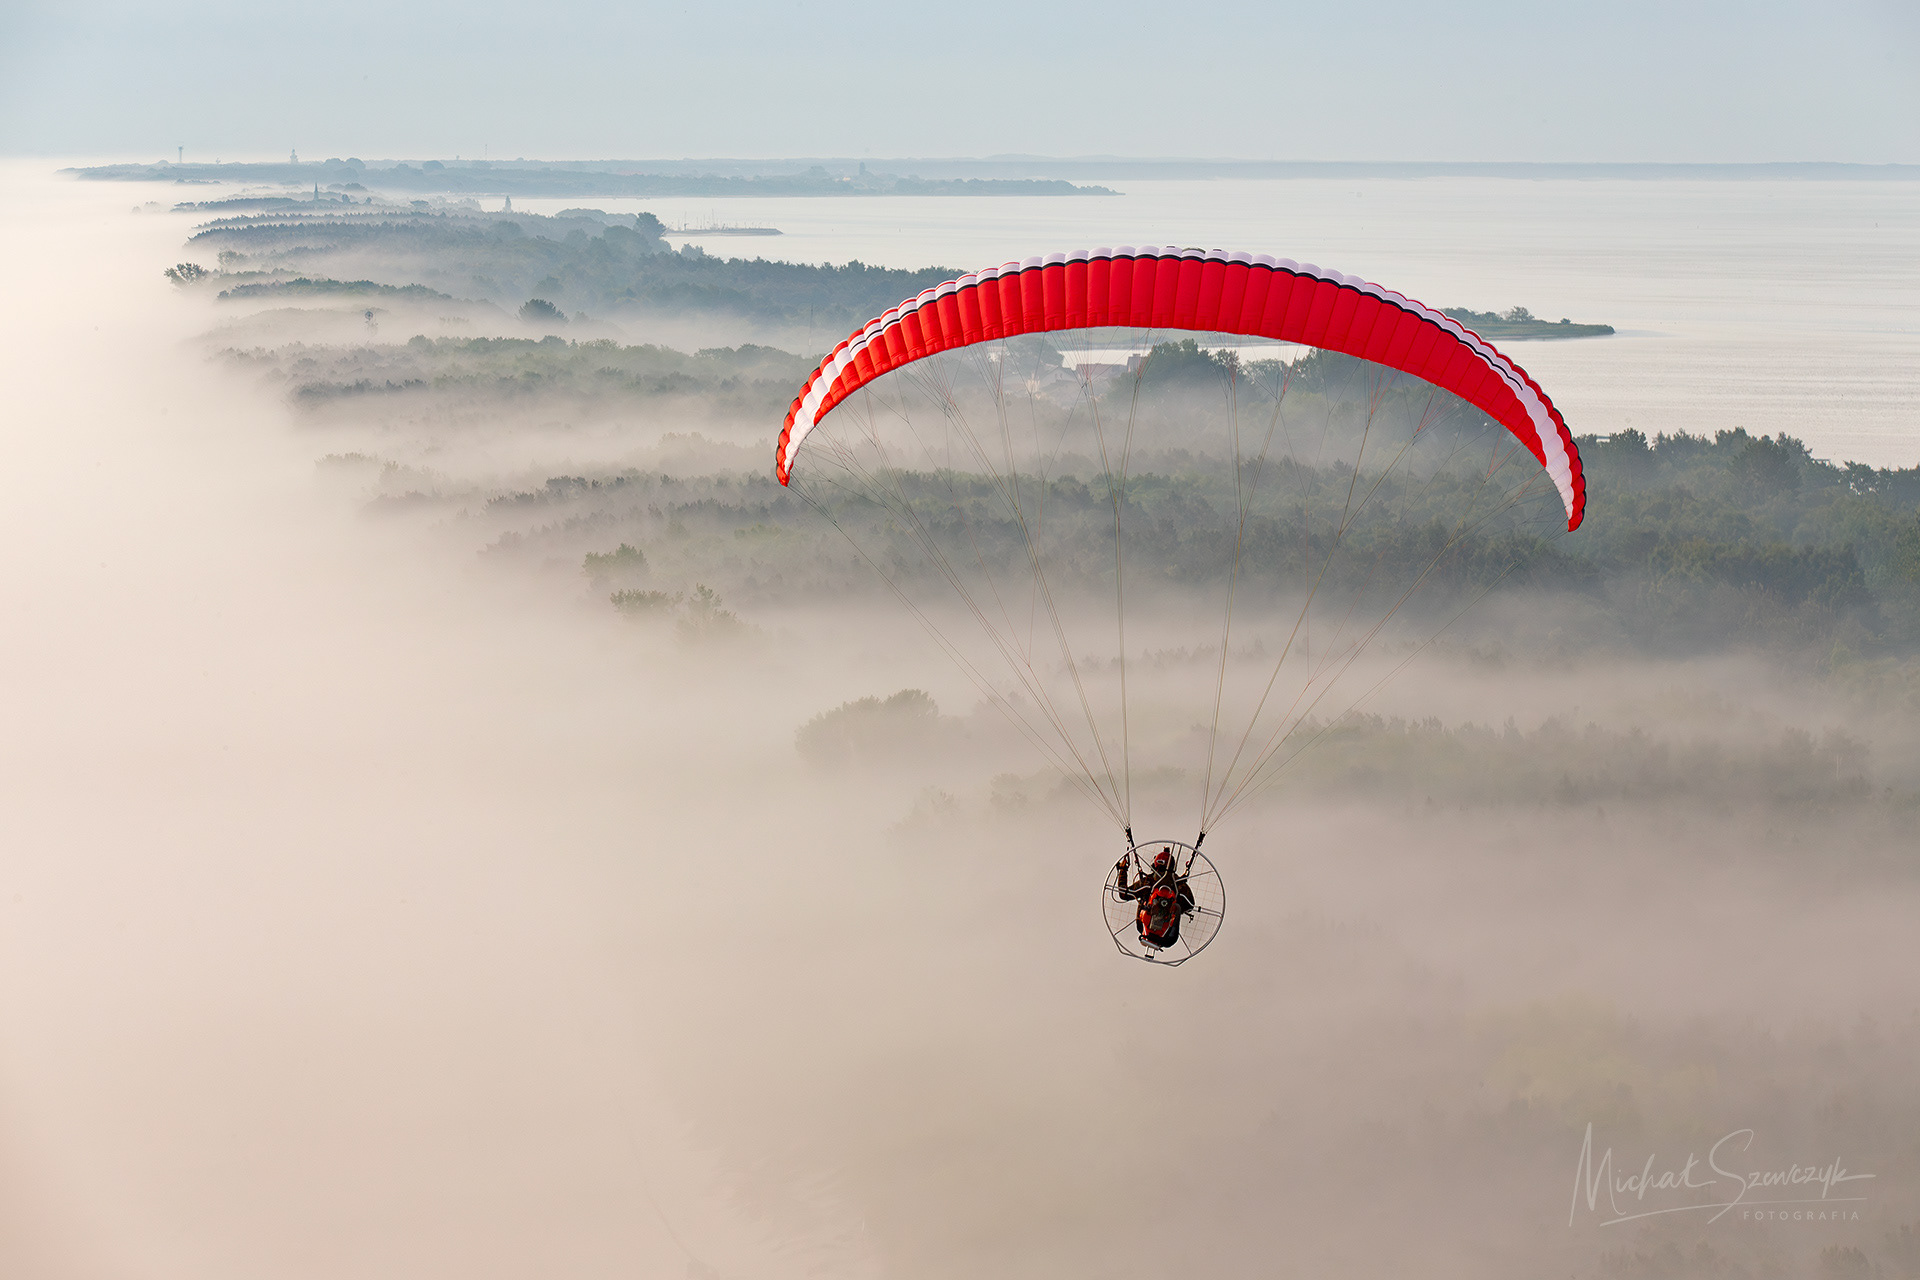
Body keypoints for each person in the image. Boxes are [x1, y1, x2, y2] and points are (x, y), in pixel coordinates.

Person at [1114, 847, 1196, 949]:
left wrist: (1122, 870)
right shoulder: (1180, 884)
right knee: (1177, 908)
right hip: (1167, 934)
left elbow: (1124, 894)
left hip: (1145, 925)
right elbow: (1190, 905)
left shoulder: (1148, 881)